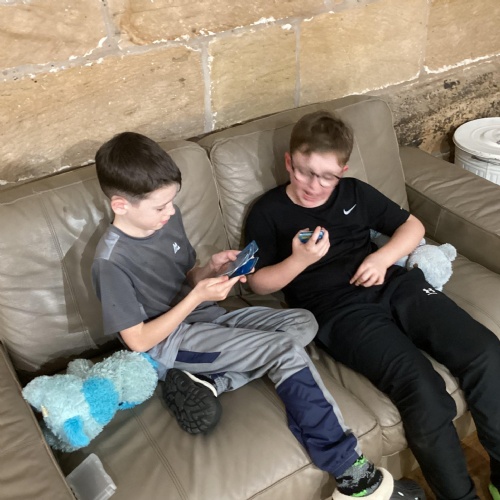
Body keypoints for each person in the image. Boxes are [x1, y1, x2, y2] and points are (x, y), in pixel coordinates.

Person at [91, 131, 424, 500]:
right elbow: (138, 340)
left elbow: (184, 279)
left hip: (204, 316)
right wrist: (197, 296)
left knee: (303, 322)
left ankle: (212, 381)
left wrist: (210, 271)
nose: (170, 212)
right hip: (167, 342)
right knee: (283, 350)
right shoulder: (111, 262)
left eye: (172, 202)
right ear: (121, 205)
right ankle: (351, 474)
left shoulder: (166, 220)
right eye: (160, 207)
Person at [244, 109, 500, 500]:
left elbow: (412, 226)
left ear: (342, 171)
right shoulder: (269, 211)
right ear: (288, 161)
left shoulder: (355, 193)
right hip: (338, 311)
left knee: (485, 351)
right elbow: (258, 283)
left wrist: (382, 259)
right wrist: (298, 261)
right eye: (304, 171)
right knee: (422, 390)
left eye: (327, 176)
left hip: (393, 285)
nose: (313, 185)